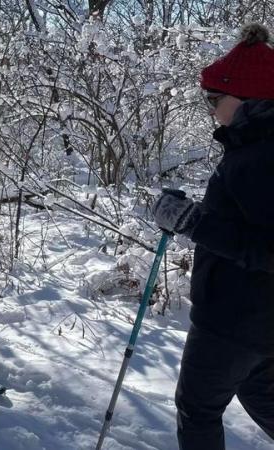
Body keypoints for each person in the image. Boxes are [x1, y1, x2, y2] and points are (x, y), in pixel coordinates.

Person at [152, 24, 274, 450]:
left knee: (197, 408)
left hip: (233, 319)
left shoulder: (258, 158)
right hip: (255, 319)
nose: (209, 109)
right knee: (259, 392)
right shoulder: (255, 148)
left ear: (244, 100)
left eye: (213, 99)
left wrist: (191, 221)